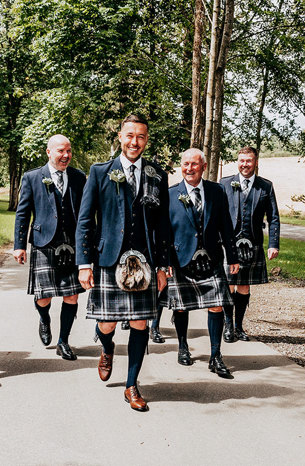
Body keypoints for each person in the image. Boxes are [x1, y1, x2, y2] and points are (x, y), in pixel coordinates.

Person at [76, 114, 170, 411]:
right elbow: (84, 221)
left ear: (146, 139)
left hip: (145, 261)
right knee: (106, 324)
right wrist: (83, 263)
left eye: (141, 136)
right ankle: (107, 349)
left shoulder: (158, 174)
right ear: (120, 136)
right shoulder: (101, 172)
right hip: (108, 259)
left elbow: (164, 224)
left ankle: (131, 385)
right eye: (130, 135)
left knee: (141, 323)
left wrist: (163, 266)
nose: (135, 142)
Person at [164, 148, 239, 378]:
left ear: (203, 166)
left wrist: (233, 256)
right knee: (181, 306)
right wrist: (164, 260)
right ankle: (183, 346)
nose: (189, 168)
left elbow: (226, 224)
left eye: (194, 164)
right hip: (180, 259)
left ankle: (215, 356)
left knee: (216, 305)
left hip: (211, 257)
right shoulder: (170, 194)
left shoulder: (216, 191)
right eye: (185, 164)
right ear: (181, 166)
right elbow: (164, 232)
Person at [13, 135, 86, 360]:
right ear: (49, 152)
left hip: (72, 242)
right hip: (44, 242)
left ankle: (63, 341)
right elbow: (23, 213)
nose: (66, 156)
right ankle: (44, 318)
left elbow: (86, 211)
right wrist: (19, 245)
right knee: (43, 296)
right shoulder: (33, 177)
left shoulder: (79, 177)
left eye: (69, 151)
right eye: (61, 151)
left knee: (72, 295)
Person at [220, 146, 280, 342]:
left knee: (244, 286)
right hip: (229, 244)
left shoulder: (265, 186)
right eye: (242, 160)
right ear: (238, 162)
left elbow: (274, 218)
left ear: (255, 163)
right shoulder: (225, 183)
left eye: (249, 161)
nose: (245, 164)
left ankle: (239, 326)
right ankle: (227, 325)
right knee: (228, 284)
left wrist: (273, 244)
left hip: (252, 243)